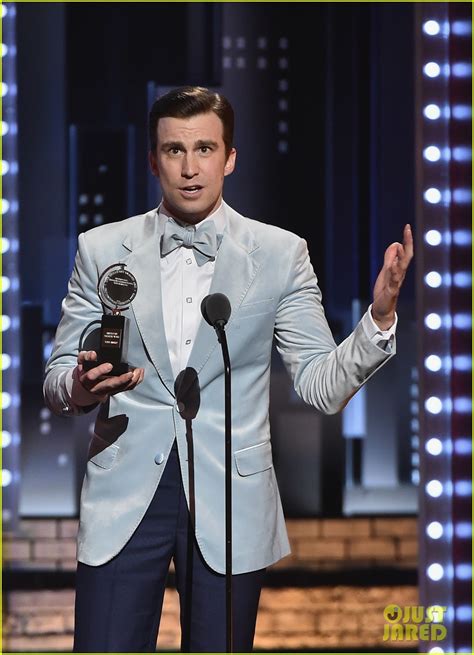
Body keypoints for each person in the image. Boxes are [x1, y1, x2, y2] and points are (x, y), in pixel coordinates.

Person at [44, 86, 413, 653]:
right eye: (173, 151)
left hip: (230, 495)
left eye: (205, 149)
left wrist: (379, 319)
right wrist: (79, 386)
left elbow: (319, 384)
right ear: (153, 159)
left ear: (230, 158)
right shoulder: (101, 249)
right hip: (123, 495)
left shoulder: (280, 254)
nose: (190, 169)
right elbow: (59, 375)